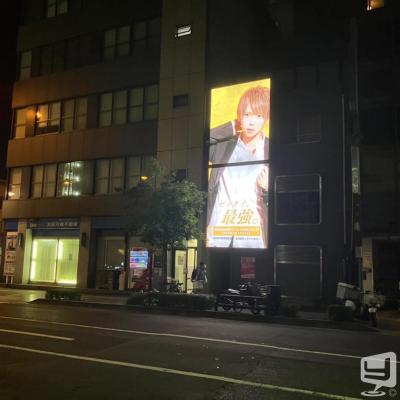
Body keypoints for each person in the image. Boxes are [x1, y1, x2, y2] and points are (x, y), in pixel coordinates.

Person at [207, 86, 270, 248]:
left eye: (258, 116)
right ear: (240, 115)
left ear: (266, 118)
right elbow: (198, 144)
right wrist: (231, 127)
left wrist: (270, 188)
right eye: (247, 114)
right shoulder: (223, 147)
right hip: (218, 236)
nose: (251, 122)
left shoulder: (272, 150)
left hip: (253, 239)